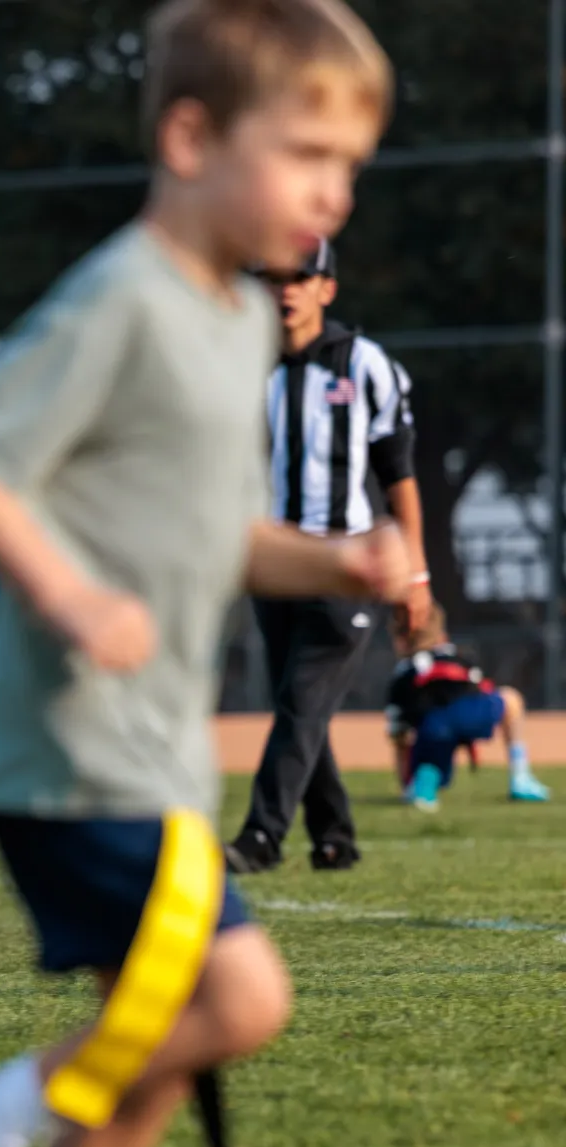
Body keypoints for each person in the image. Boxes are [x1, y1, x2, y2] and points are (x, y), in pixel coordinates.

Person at [0, 0, 406, 1147]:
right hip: (73, 747)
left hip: (153, 753)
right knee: (237, 995)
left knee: (153, 1030)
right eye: (306, 152)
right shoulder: (128, 294)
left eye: (351, 168)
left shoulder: (228, 320)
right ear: (192, 134)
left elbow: (204, 532)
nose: (331, 192)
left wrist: (336, 566)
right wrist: (67, 593)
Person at [226, 236, 428, 874]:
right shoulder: (240, 363)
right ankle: (334, 836)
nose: (286, 289)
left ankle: (262, 837)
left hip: (349, 568)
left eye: (301, 276)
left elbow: (400, 478)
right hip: (274, 564)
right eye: (273, 276)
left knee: (301, 702)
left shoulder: (362, 364)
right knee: (300, 705)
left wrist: (415, 571)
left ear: (326, 288)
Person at [387, 605, 548, 809]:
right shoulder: (456, 657)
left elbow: (400, 735)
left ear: (401, 640)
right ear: (441, 635)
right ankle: (521, 778)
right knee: (511, 699)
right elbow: (480, 688)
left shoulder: (403, 672)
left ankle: (422, 786)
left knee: (430, 761)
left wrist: (405, 781)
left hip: (435, 728)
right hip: (475, 712)